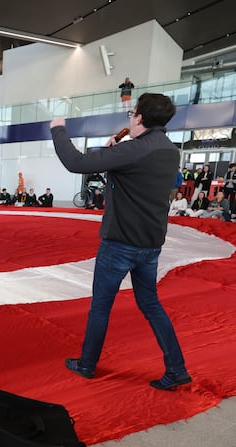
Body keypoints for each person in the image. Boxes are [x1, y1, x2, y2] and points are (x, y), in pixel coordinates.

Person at [50, 92, 191, 390]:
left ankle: (87, 365)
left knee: (101, 307)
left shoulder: (134, 149)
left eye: (132, 113)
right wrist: (114, 154)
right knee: (151, 304)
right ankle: (176, 368)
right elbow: (134, 178)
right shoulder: (169, 150)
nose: (130, 117)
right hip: (151, 243)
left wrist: (58, 129)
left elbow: (75, 162)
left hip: (120, 243)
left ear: (139, 118)